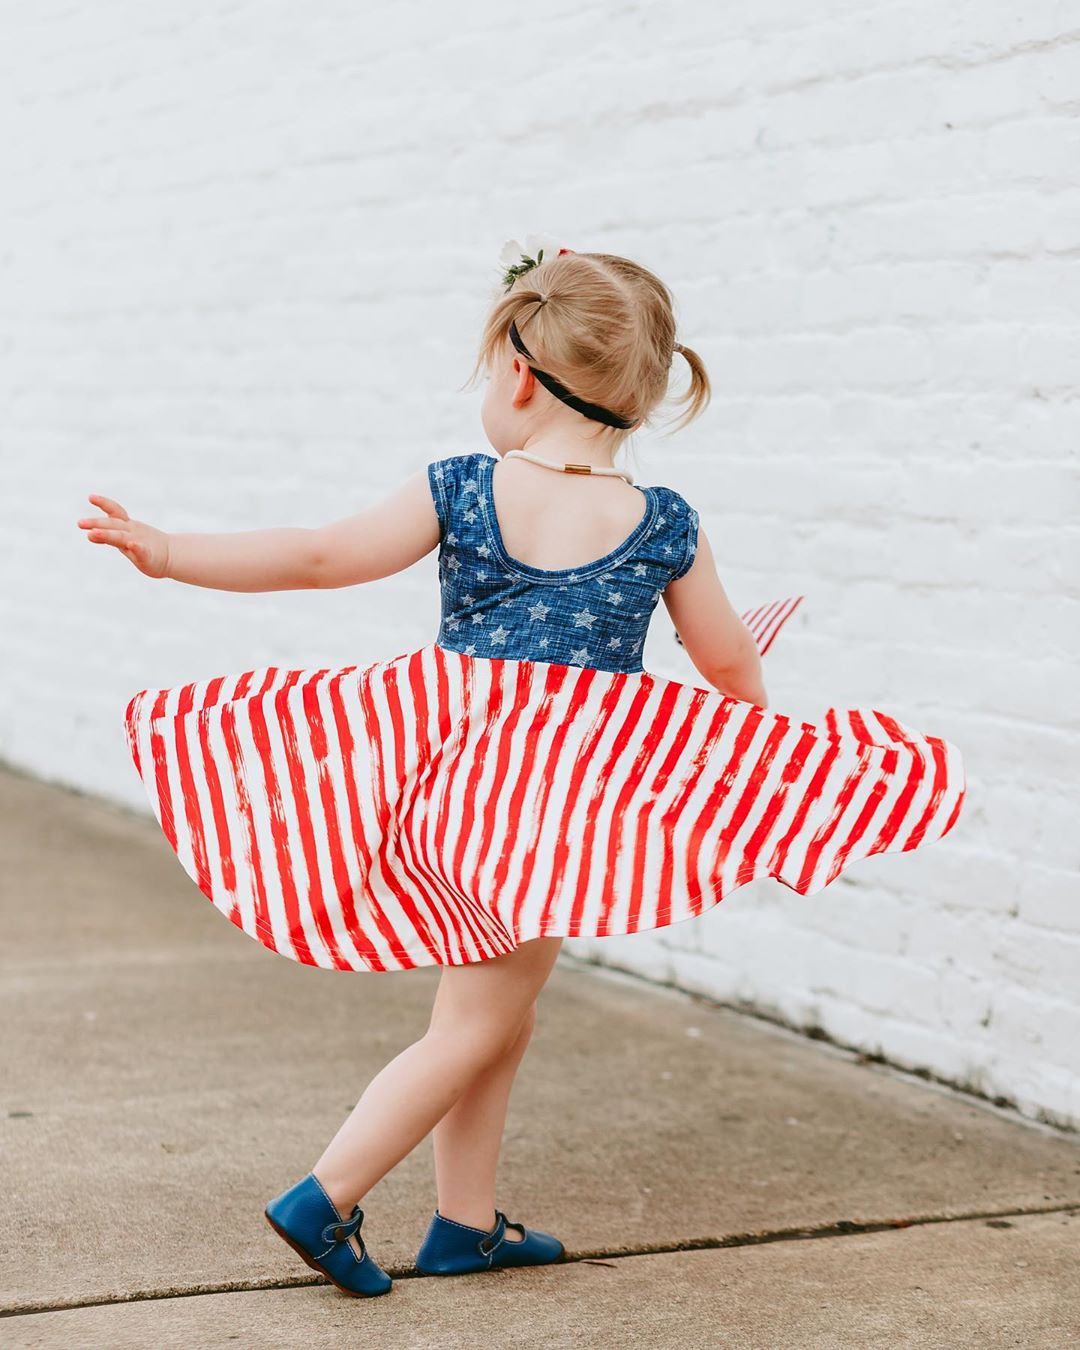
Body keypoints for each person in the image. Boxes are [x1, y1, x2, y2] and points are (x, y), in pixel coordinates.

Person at [76, 237, 966, 1299]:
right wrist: (748, 746)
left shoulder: (461, 487)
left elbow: (319, 555)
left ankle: (464, 1223)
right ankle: (326, 1195)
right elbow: (727, 658)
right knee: (482, 1017)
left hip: (452, 789)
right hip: (553, 814)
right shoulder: (664, 522)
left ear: (515, 372)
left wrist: (174, 553)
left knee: (496, 1011)